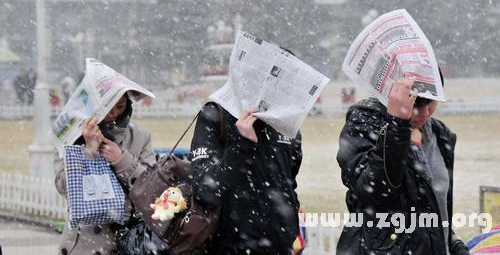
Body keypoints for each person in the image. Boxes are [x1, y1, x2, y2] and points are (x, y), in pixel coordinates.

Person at [336, 75, 470, 255]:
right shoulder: (363, 125)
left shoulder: (440, 135)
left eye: (430, 104)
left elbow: (434, 206)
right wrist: (397, 126)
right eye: (416, 105)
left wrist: (451, 243)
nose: (424, 113)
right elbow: (374, 192)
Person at [190, 103, 303, 254]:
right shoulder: (216, 113)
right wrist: (242, 144)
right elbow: (204, 189)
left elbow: (289, 185)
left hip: (281, 246)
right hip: (230, 246)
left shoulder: (286, 122)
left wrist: (291, 231)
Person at [54, 93, 155, 255]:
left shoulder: (140, 136)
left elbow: (151, 187)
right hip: (83, 243)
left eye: (120, 107)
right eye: (107, 106)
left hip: (129, 239)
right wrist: (89, 152)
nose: (113, 113)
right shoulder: (71, 135)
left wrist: (122, 160)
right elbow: (63, 187)